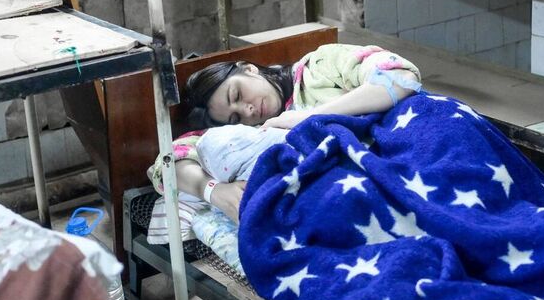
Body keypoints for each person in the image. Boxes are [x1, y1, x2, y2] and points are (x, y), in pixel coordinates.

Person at [151, 43, 422, 223]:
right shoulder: (259, 132)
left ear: (248, 69)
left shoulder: (319, 66)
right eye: (236, 118)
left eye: (238, 94)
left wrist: (307, 118)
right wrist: (214, 191)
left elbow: (401, 78)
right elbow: (168, 162)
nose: (247, 110)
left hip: (415, 146)